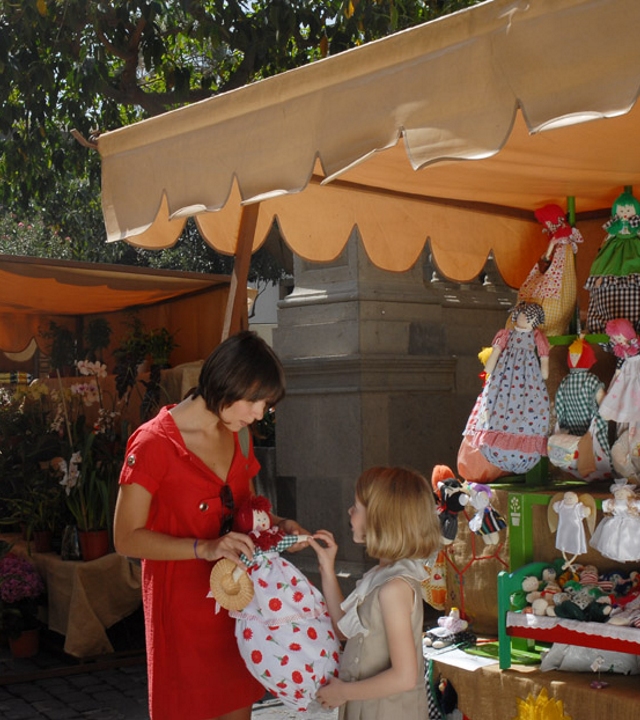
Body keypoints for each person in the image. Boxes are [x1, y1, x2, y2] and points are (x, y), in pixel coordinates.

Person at [113, 331, 306, 720]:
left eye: (265, 405)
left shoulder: (241, 435)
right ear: (225, 383)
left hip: (239, 609)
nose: (258, 414)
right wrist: (204, 548)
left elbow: (248, 509)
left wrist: (280, 527)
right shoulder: (152, 443)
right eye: (254, 401)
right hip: (181, 613)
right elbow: (124, 538)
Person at [308, 466, 442, 719]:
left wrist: (344, 692)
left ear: (381, 519)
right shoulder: (382, 577)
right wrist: (327, 569)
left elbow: (404, 677)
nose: (350, 511)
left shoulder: (394, 588)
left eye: (356, 507)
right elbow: (343, 629)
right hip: (368, 707)